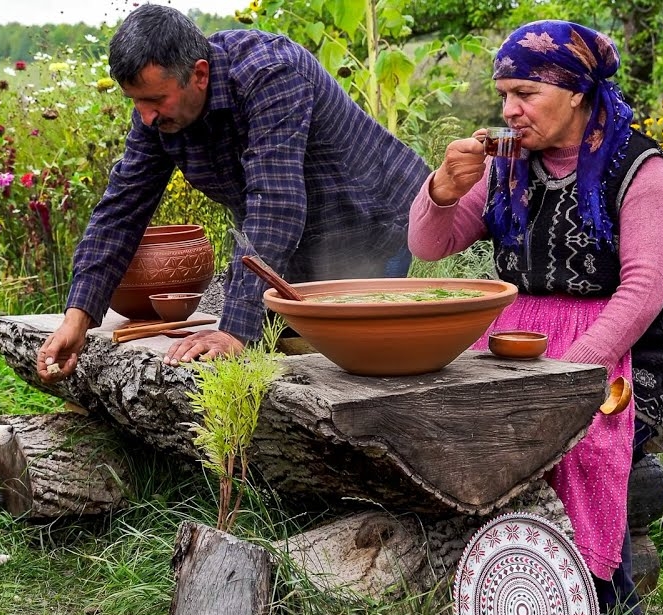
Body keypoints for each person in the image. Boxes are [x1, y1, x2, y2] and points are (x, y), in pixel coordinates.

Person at [408, 20, 663, 615]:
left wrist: (568, 375)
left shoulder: (640, 169)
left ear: (578, 90)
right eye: (504, 93)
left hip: (617, 348)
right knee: (450, 417)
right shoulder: (508, 163)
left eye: (526, 94)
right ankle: (488, 596)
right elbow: (433, 245)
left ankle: (600, 603)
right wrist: (443, 190)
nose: (509, 110)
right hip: (514, 338)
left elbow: (643, 289)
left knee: (583, 442)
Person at [35, 3, 429, 377]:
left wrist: (234, 330)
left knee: (354, 366)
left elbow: (275, 204)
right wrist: (78, 317)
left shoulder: (271, 73)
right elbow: (121, 210)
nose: (145, 116)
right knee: (266, 367)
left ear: (200, 74)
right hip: (291, 247)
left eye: (155, 99)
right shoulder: (158, 115)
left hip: (373, 222)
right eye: (135, 101)